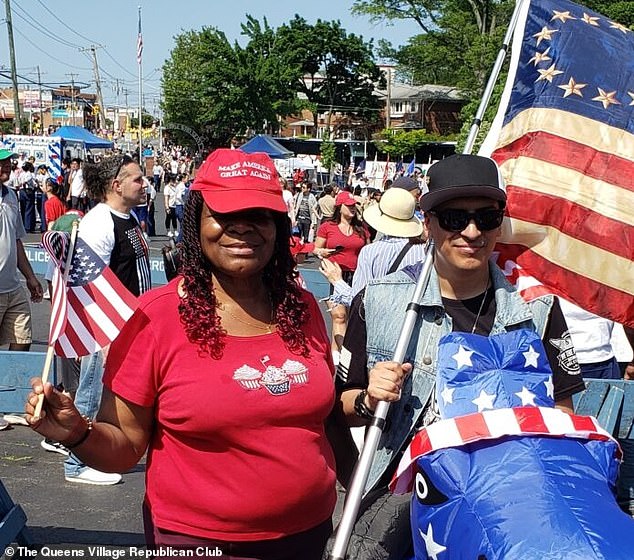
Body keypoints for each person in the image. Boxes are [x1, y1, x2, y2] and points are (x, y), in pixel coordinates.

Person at [26, 148, 338, 558]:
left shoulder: (304, 309)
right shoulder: (154, 319)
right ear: (196, 222)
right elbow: (124, 445)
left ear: (278, 226)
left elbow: (317, 411)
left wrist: (366, 402)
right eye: (224, 215)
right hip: (197, 542)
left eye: (259, 216)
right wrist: (75, 433)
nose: (242, 228)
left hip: (309, 535)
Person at [334, 154, 585, 558]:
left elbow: (562, 415)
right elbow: (339, 407)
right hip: (403, 501)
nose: (472, 231)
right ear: (428, 223)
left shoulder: (536, 311)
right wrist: (368, 399)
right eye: (454, 218)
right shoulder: (379, 301)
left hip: (506, 511)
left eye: (486, 217)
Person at [57, 154, 151, 485]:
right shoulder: (100, 223)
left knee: (110, 393)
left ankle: (100, 452)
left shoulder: (128, 219)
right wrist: (104, 334)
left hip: (130, 324)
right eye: (137, 179)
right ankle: (76, 464)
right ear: (116, 185)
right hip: (108, 327)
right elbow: (89, 283)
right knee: (91, 392)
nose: (144, 184)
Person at [315, 190, 369, 357]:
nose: (353, 209)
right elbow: (316, 248)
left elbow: (368, 250)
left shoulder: (361, 228)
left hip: (357, 275)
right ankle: (341, 355)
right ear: (340, 207)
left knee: (353, 316)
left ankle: (337, 351)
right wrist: (322, 253)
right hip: (335, 274)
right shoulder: (327, 227)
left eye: (354, 206)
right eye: (350, 206)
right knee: (339, 315)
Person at [0, 149, 43, 352]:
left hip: (13, 287)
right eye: (1, 162)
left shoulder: (10, 195)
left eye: (8, 161)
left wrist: (30, 276)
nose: (6, 165)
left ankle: (12, 382)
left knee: (23, 338)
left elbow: (16, 239)